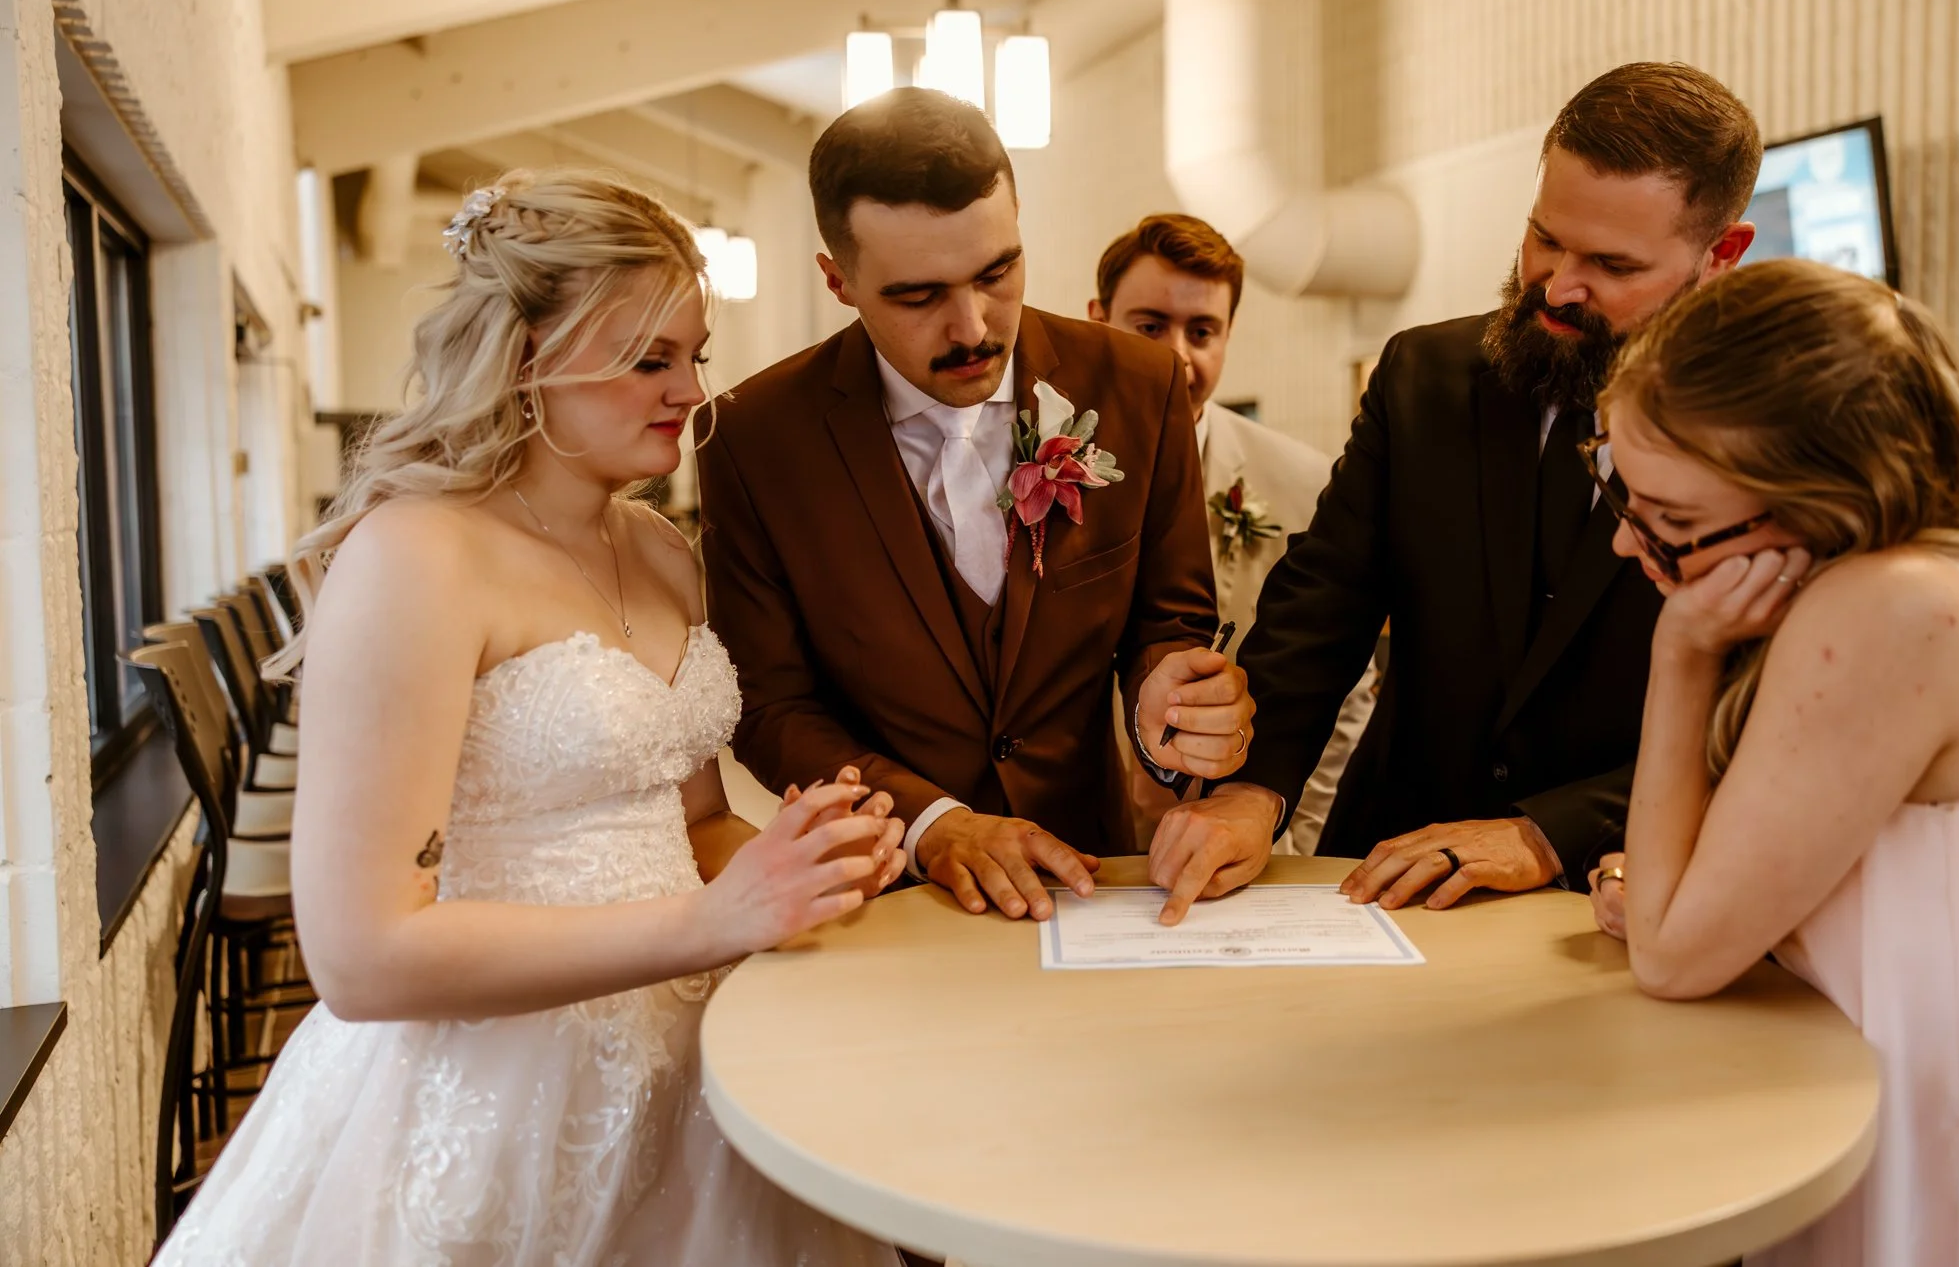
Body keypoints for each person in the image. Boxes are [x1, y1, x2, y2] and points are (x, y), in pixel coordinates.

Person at [155, 170, 908, 1266]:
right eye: (649, 359)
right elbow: (362, 960)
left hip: (701, 1068)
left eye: (694, 353)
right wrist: (710, 923)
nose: (690, 389)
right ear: (527, 357)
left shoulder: (657, 548)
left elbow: (692, 821)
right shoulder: (416, 558)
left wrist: (799, 872)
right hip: (499, 1090)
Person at [1178, 62, 1762, 910]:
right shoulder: (1426, 373)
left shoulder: (1769, 443)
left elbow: (1757, 714)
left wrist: (1544, 832)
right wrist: (1251, 791)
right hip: (1380, 864)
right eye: (1544, 238)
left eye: (1612, 263)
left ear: (1722, 256)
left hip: (1602, 889)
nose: (1559, 286)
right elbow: (1323, 601)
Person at [699, 88, 1263, 931]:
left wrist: (1171, 709)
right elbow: (770, 706)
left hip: (1095, 883)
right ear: (839, 279)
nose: (972, 327)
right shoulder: (753, 437)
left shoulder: (1138, 386)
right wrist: (932, 825)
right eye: (918, 296)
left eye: (996, 273)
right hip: (884, 897)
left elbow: (1168, 624)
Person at [1585, 258, 1959, 1266]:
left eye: (1669, 524)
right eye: (1616, 493)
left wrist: (1681, 651)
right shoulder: (1954, 584)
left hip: (1898, 1138)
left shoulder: (1883, 613)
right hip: (1868, 1095)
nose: (1631, 548)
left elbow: (1668, 954)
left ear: (1822, 498)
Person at [1087, 213, 1373, 854]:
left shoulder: (1301, 479)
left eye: (1202, 330)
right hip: (1076, 839)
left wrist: (1291, 833)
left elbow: (1343, 682)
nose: (1178, 355)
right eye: (1150, 326)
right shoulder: (1045, 468)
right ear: (1098, 318)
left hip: (1243, 848)